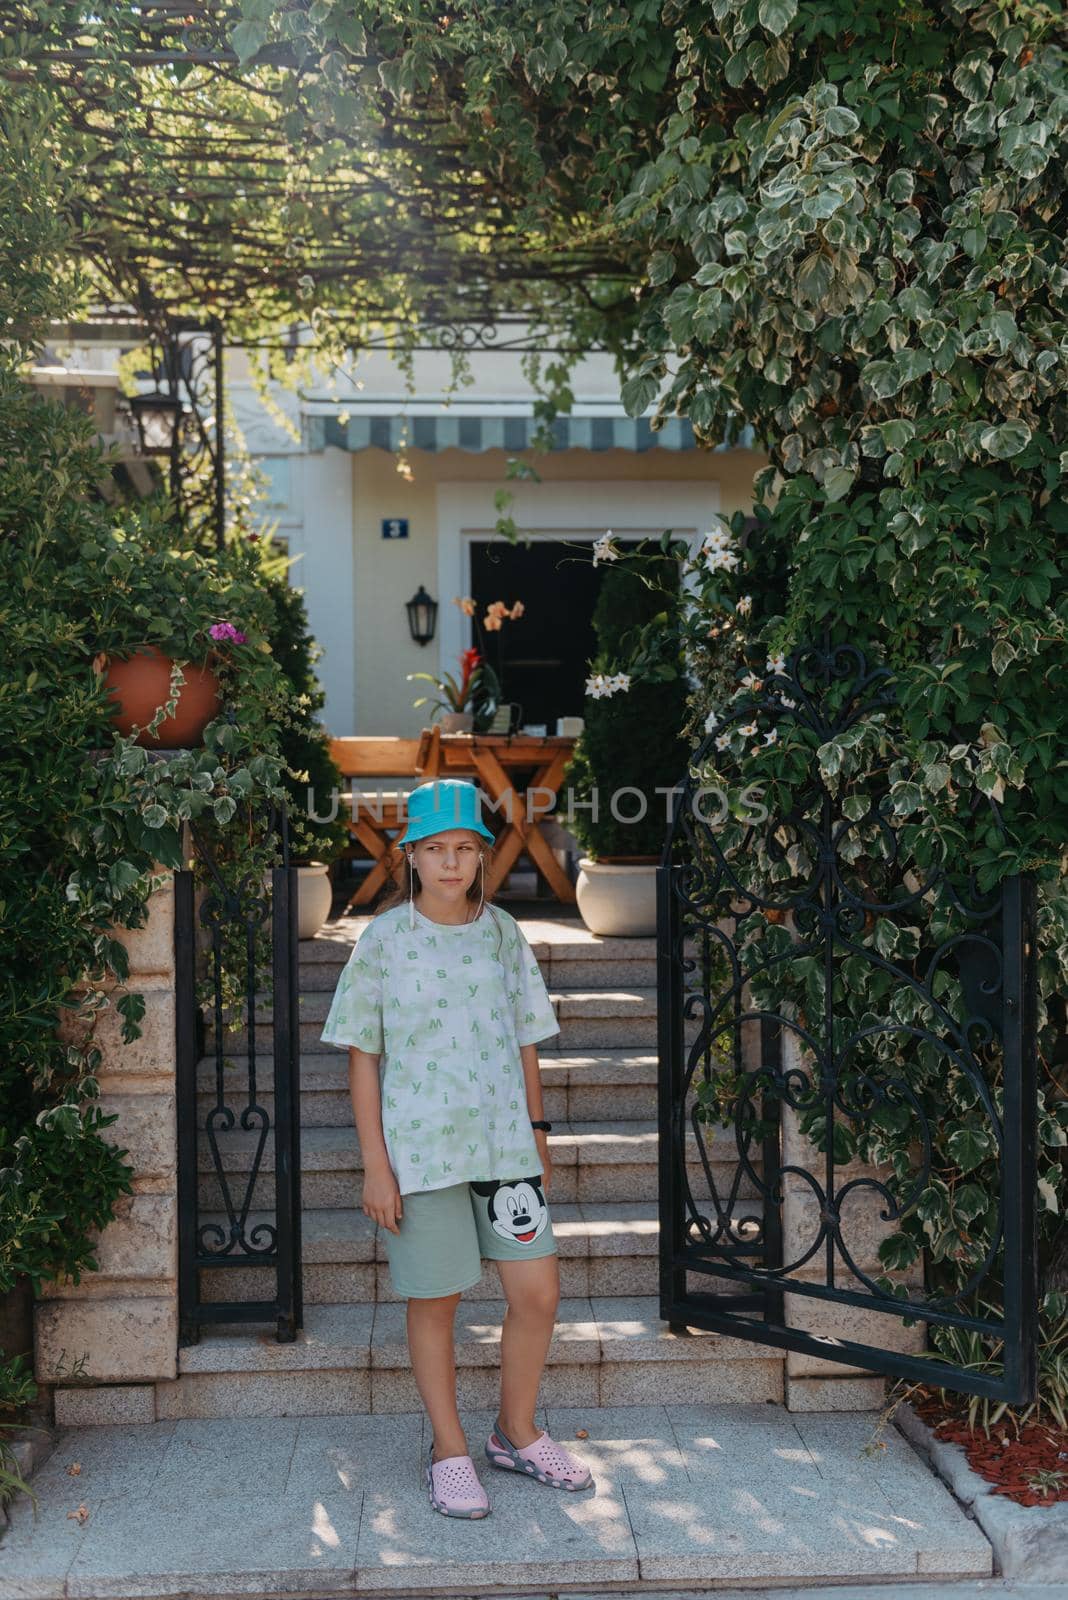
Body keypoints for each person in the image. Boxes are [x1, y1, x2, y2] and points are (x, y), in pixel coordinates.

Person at [321, 776, 594, 1518]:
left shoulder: (503, 933)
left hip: (504, 1151)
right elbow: (362, 1056)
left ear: (482, 856)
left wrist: (537, 1136)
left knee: (538, 1292)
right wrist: (376, 1166)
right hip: (421, 1158)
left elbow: (528, 1040)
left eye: (464, 849)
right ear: (411, 856)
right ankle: (450, 1450)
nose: (450, 863)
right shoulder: (382, 941)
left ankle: (516, 1431)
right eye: (435, 849)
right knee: (435, 1300)